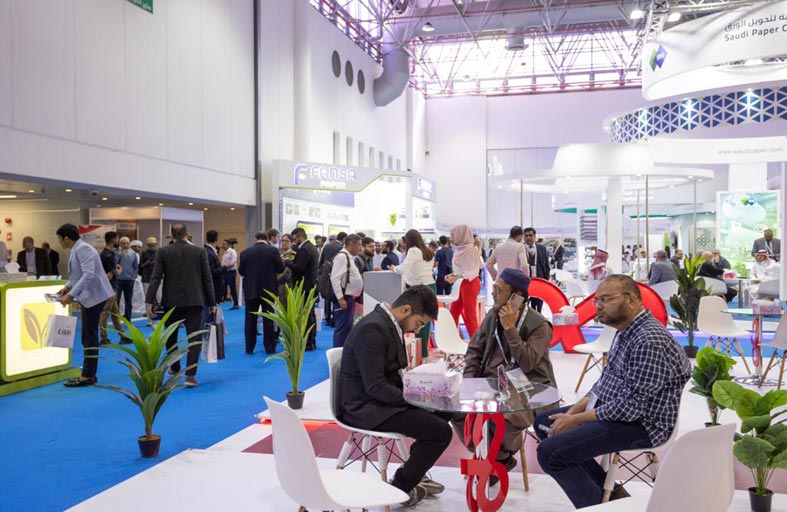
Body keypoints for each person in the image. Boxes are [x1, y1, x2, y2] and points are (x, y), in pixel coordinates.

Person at [534, 275, 691, 508]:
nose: (598, 306)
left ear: (631, 300)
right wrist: (574, 412)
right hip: (619, 411)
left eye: (606, 299)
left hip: (644, 424)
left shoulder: (649, 340)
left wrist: (576, 419)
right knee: (544, 423)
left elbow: (631, 407)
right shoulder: (625, 330)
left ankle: (599, 506)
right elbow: (604, 383)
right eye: (597, 300)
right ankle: (612, 499)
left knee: (550, 452)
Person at [339, 285, 450, 507]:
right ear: (406, 310)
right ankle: (400, 488)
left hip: (379, 401)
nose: (418, 330)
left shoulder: (386, 325)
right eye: (419, 323)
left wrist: (423, 394)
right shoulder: (372, 329)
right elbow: (375, 386)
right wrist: (416, 400)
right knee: (440, 432)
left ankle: (414, 472)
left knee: (442, 412)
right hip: (365, 407)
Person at [452, 269, 556, 483]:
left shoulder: (539, 325)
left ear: (516, 296)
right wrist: (469, 382)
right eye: (494, 288)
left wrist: (510, 329)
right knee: (456, 410)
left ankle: (497, 459)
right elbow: (474, 350)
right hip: (489, 381)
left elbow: (528, 362)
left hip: (528, 385)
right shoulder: (492, 315)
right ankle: (494, 457)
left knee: (509, 414)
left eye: (499, 289)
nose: (492, 293)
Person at [145, 223, 216, 387]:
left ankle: (175, 367)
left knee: (171, 336)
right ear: (187, 234)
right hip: (194, 300)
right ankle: (190, 376)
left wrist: (149, 302)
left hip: (171, 301)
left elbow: (155, 278)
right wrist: (212, 302)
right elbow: (207, 279)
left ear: (171, 235)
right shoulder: (199, 251)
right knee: (194, 337)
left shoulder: (163, 252)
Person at [55, 224, 114, 387]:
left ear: (66, 238)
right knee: (88, 335)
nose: (59, 242)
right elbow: (77, 275)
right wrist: (67, 287)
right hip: (90, 297)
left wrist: (71, 294)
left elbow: (88, 275)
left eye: (59, 239)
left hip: (94, 297)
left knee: (89, 336)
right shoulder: (78, 249)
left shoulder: (83, 249)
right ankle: (88, 374)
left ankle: (88, 376)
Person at [392, 229, 436, 358]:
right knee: (425, 322)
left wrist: (394, 268)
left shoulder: (413, 251)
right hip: (430, 286)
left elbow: (404, 269)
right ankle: (423, 353)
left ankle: (419, 354)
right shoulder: (428, 251)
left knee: (417, 321)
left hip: (419, 289)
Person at [239, 231, 284, 354]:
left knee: (250, 320)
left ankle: (249, 347)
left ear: (256, 238)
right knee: (268, 319)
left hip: (251, 289)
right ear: (267, 238)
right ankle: (269, 347)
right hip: (269, 290)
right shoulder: (273, 251)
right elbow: (280, 268)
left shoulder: (245, 252)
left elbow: (241, 271)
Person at [446, 224, 483, 338]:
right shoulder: (460, 249)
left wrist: (456, 277)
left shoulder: (469, 250)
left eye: (453, 235)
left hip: (470, 283)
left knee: (469, 314)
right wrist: (454, 275)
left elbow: (472, 271)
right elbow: (463, 270)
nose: (451, 238)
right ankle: (451, 338)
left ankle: (476, 342)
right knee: (454, 311)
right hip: (463, 283)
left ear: (460, 235)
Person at [286, 227, 320, 350]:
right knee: (310, 314)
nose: (294, 242)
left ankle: (309, 342)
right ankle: (311, 341)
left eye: (295, 239)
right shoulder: (312, 248)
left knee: (307, 315)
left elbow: (299, 268)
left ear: (300, 236)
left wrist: (287, 262)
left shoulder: (305, 249)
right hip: (311, 285)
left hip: (305, 286)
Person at [331, 234, 363, 348]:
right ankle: (338, 354)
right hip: (344, 298)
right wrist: (340, 298)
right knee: (342, 328)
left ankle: (343, 352)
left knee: (347, 327)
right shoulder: (342, 257)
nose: (360, 247)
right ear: (351, 244)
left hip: (350, 297)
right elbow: (335, 278)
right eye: (359, 244)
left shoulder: (349, 257)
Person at [99, 231, 128, 344]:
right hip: (109, 288)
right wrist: (119, 270)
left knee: (115, 313)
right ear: (113, 239)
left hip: (110, 286)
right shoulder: (108, 255)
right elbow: (115, 272)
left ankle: (123, 335)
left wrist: (114, 271)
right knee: (105, 313)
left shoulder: (105, 253)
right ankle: (103, 338)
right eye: (117, 238)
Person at [319, 232, 345, 328]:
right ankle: (334, 318)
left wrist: (321, 272)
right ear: (343, 239)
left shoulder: (326, 247)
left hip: (326, 273)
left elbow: (321, 261)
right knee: (335, 295)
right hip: (337, 274)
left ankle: (327, 318)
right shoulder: (341, 249)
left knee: (327, 296)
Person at [523, 227, 550, 312]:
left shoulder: (542, 248)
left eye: (530, 235)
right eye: (526, 236)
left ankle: (539, 317)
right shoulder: (520, 248)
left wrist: (546, 280)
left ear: (535, 237)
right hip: (526, 281)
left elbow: (546, 265)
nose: (528, 237)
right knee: (526, 306)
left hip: (540, 280)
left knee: (539, 304)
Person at [115, 237, 139, 321]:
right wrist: (119, 254)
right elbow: (115, 264)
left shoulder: (133, 253)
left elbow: (136, 267)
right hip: (119, 279)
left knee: (128, 300)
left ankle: (128, 316)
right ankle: (116, 317)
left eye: (127, 243)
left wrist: (133, 277)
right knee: (116, 300)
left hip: (129, 280)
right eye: (124, 243)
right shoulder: (117, 253)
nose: (126, 245)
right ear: (120, 244)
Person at [220, 239, 239, 309]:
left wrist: (224, 268)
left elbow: (232, 263)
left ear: (228, 244)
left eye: (224, 244)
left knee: (232, 288)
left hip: (231, 272)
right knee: (223, 287)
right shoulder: (225, 252)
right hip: (225, 272)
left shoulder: (232, 252)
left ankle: (236, 304)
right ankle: (223, 299)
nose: (222, 245)